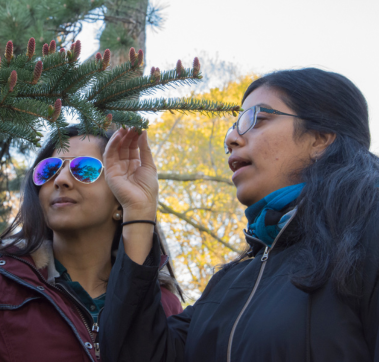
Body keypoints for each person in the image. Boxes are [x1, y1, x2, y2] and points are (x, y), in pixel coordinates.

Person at [99, 68, 379, 362]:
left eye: (256, 119)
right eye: (234, 126)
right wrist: (140, 213)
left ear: (320, 138)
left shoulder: (367, 237)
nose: (232, 137)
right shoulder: (230, 283)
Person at [0, 125, 183, 361]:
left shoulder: (162, 304)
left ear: (120, 199)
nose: (62, 180)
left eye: (85, 169)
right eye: (49, 170)